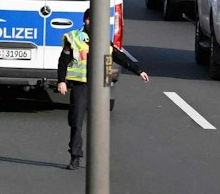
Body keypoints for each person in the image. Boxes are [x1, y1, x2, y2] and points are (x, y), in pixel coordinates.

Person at [54, 9, 150, 170]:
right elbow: (63, 61)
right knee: (76, 121)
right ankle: (75, 156)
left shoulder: (103, 40)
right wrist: (61, 81)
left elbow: (119, 57)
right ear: (85, 21)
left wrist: (139, 71)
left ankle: (98, 159)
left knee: (99, 123)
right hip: (80, 85)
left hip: (100, 87)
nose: (94, 24)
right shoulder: (74, 38)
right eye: (91, 20)